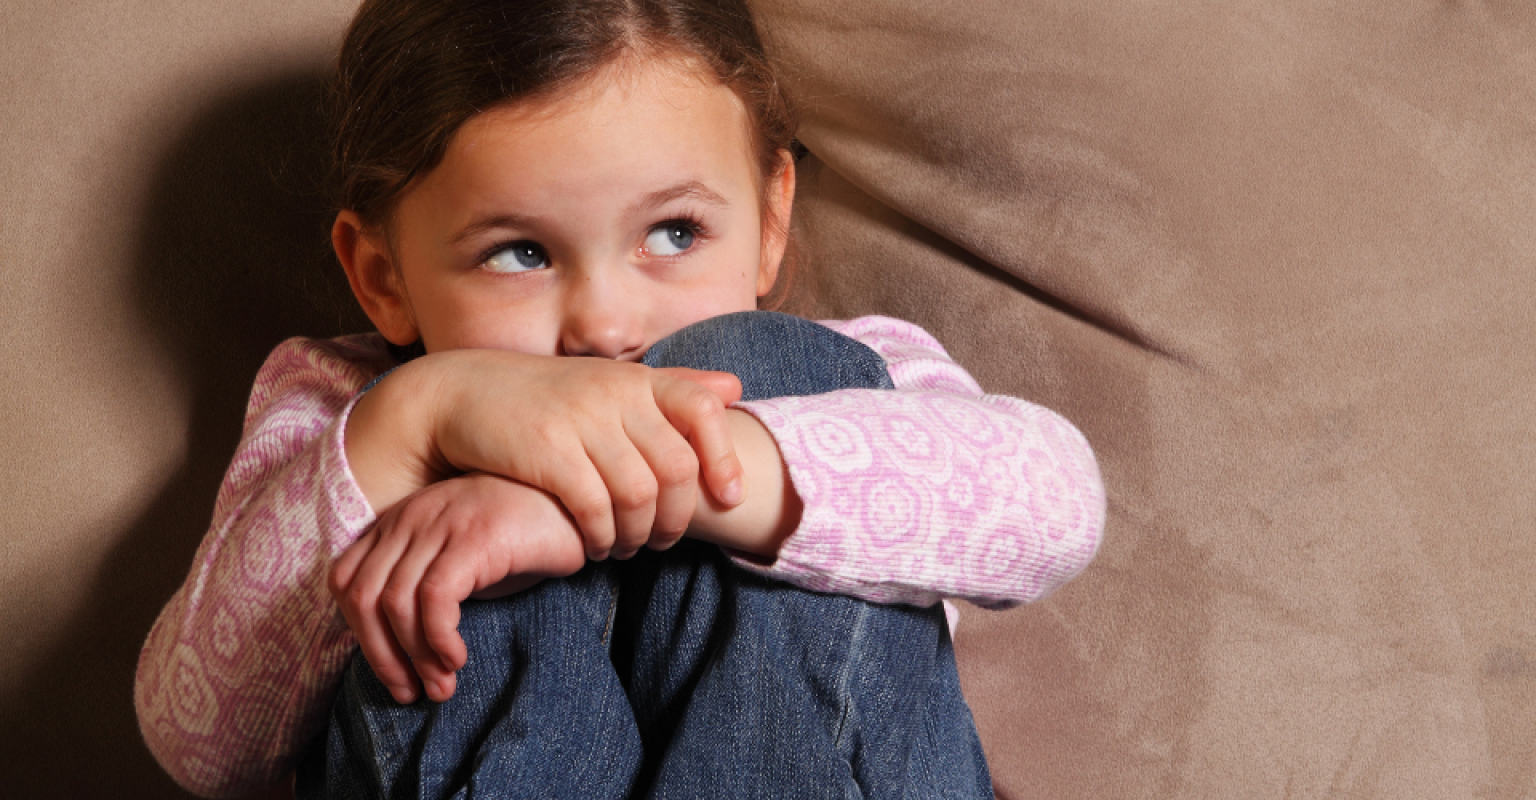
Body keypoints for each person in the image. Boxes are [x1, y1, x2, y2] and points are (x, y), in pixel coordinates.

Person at [134, 0, 1107, 797]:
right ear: (382, 275)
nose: (604, 324)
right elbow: (202, 746)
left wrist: (607, 489)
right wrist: (418, 421)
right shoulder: (343, 408)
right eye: (520, 252)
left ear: (771, 219)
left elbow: (1059, 500)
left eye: (675, 233)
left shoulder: (866, 370)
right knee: (436, 521)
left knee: (760, 361)